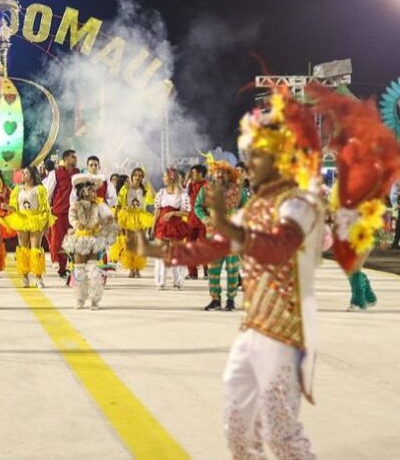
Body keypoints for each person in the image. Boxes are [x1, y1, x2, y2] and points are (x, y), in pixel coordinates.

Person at [131, 90, 329, 458]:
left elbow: (277, 247)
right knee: (238, 426)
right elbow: (213, 246)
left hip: (285, 335)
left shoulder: (299, 205)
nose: (249, 162)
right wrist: (155, 250)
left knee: (280, 432)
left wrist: (221, 219)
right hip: (252, 329)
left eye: (257, 154)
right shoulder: (255, 207)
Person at [194, 159, 248, 311]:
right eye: (217, 172)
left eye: (222, 173)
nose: (219, 175)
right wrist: (205, 218)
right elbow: (197, 207)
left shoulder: (238, 191)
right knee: (213, 269)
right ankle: (215, 299)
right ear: (213, 173)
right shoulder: (205, 190)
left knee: (232, 269)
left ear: (228, 175)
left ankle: (231, 299)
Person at [63, 173, 116, 309]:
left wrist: (108, 220)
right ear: (84, 191)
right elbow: (72, 217)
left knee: (93, 269)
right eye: (92, 191)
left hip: (93, 239)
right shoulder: (75, 205)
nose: (95, 193)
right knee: (79, 270)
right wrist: (76, 224)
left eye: (95, 190)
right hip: (79, 239)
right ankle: (80, 299)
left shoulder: (98, 206)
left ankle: (95, 299)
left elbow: (104, 219)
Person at [4, 166, 55, 288]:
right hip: (21, 219)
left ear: (32, 175)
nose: (22, 175)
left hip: (36, 219)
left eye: (25, 173)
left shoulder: (40, 189)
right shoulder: (17, 189)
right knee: (23, 250)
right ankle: (25, 277)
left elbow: (45, 208)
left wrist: (46, 224)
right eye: (22, 173)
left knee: (35, 249)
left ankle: (38, 277)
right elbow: (14, 206)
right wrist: (7, 207)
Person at [112, 167, 154, 277]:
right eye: (136, 175)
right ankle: (131, 268)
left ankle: (138, 268)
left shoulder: (144, 189)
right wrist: (116, 216)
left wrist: (149, 182)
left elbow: (153, 198)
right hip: (128, 216)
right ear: (132, 176)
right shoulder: (126, 188)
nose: (138, 177)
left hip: (141, 217)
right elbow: (119, 202)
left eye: (140, 175)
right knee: (130, 243)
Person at [152, 167, 190, 290]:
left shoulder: (182, 194)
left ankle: (177, 281)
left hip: (176, 226)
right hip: (162, 226)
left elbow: (186, 212)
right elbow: (157, 211)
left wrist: (174, 213)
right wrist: (153, 227)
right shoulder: (161, 193)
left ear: (171, 177)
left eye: (165, 176)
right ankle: (160, 282)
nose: (163, 178)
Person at [44, 150, 80, 278]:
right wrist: (48, 208)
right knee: (59, 240)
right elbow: (48, 192)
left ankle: (73, 266)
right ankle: (61, 267)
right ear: (65, 158)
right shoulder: (55, 173)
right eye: (73, 157)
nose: (75, 159)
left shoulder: (78, 173)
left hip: (74, 212)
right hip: (59, 212)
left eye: (75, 157)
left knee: (73, 239)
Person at [185, 164, 209, 279]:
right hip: (191, 220)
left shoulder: (207, 186)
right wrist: (187, 177)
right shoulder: (190, 185)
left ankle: (207, 271)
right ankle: (192, 273)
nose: (192, 175)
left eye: (194, 173)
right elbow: (182, 189)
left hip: (203, 221)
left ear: (200, 174)